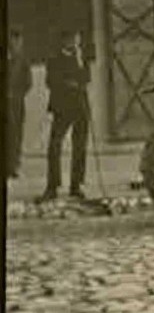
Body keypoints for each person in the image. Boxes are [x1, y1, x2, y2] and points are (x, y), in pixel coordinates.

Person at [39, 28, 90, 203]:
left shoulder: (81, 58)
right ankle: (52, 186)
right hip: (62, 108)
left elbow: (86, 78)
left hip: (80, 108)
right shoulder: (54, 60)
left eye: (78, 40)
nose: (76, 44)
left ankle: (76, 186)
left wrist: (80, 63)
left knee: (80, 148)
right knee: (54, 146)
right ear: (65, 40)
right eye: (73, 40)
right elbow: (50, 81)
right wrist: (68, 84)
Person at [6, 27, 32, 180]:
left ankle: (14, 166)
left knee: (16, 135)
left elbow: (28, 83)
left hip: (17, 105)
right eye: (13, 41)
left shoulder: (23, 61)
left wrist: (16, 94)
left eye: (18, 42)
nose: (15, 44)